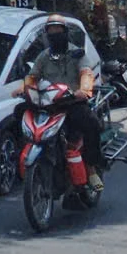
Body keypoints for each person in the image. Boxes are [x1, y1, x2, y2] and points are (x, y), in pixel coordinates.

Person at [20, 17, 104, 196]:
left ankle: (92, 169)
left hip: (72, 102)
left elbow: (86, 73)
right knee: (18, 112)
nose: (55, 35)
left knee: (91, 124)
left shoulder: (77, 54)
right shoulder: (44, 56)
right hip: (49, 104)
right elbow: (32, 76)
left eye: (58, 32)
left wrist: (84, 89)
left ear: (65, 33)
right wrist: (25, 89)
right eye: (51, 32)